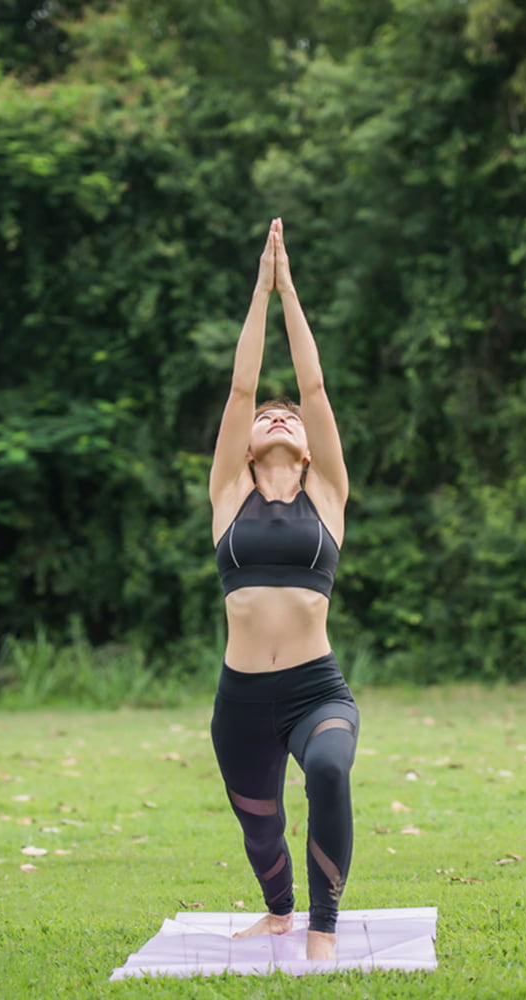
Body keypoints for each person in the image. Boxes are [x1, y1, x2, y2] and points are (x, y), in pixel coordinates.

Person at [208, 218, 357, 962]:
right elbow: (242, 385)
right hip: (241, 700)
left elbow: (313, 386)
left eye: (288, 419)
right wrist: (257, 294)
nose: (276, 414)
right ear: (246, 445)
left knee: (328, 769)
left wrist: (289, 288)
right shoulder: (228, 494)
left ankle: (322, 929)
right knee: (260, 828)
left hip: (313, 690)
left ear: (305, 450)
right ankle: (279, 914)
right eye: (265, 417)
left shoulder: (327, 495)